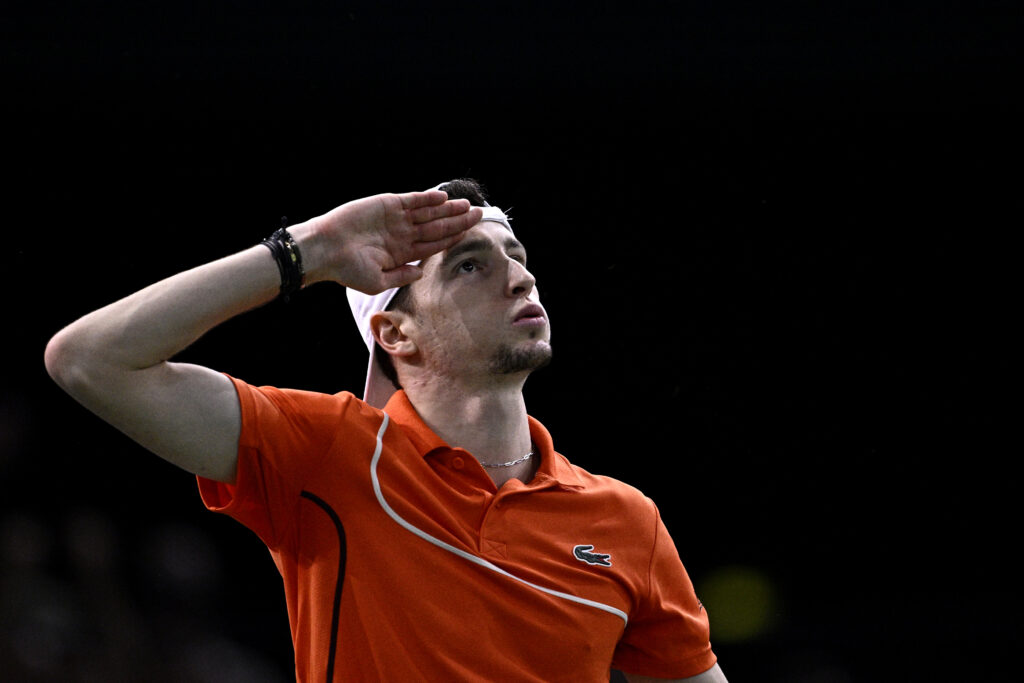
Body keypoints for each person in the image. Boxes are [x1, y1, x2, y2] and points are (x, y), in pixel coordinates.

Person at [44, 178, 727, 682]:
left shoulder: (627, 522)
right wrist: (310, 248)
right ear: (396, 334)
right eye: (470, 265)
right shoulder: (324, 451)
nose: (520, 278)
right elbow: (88, 359)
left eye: (516, 255)